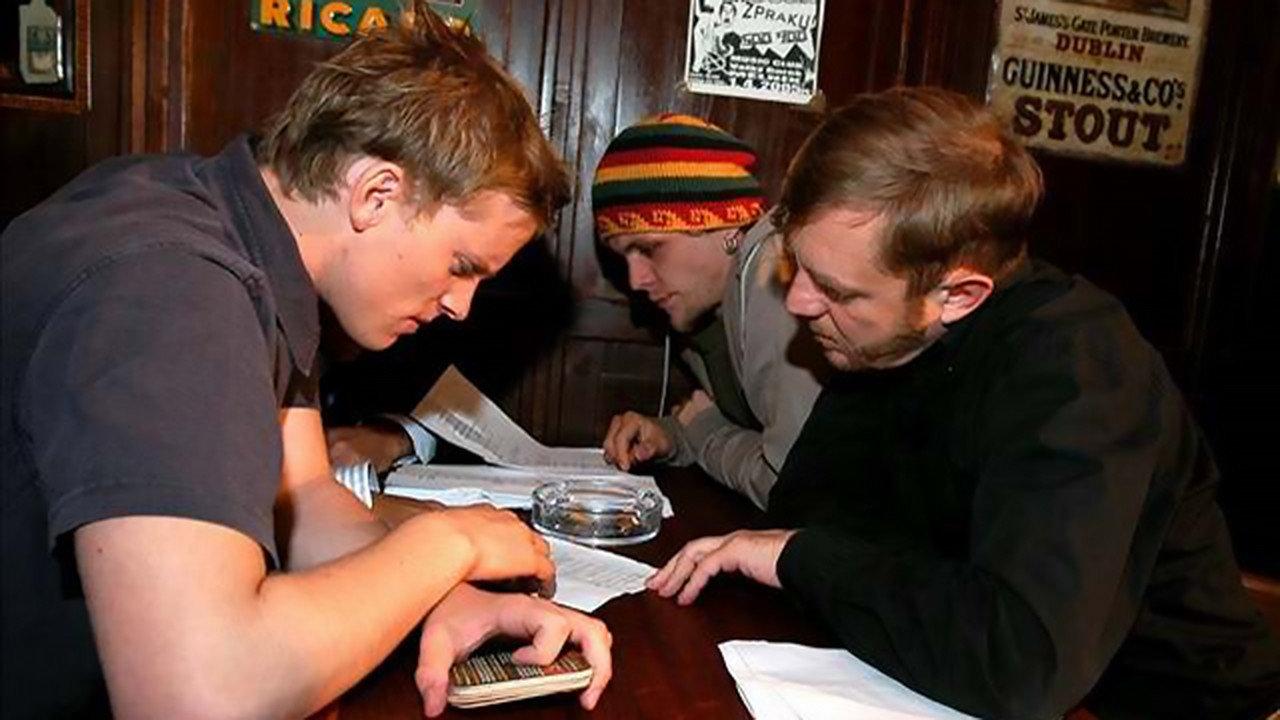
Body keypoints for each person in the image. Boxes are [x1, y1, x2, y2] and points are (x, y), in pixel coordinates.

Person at [0, 5, 611, 719]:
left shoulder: (240, 234)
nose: (460, 306)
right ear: (376, 194)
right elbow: (198, 698)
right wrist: (448, 544)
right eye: (462, 265)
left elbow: (307, 501)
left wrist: (445, 600)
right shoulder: (176, 291)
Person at [647, 87, 1280, 718]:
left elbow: (1019, 662)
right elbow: (812, 522)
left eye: (837, 290)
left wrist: (804, 559)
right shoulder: (879, 337)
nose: (799, 302)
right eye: (797, 265)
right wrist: (808, 557)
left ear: (957, 296)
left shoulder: (1080, 370)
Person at [592, 113, 826, 510]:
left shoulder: (773, 273)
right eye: (623, 257)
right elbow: (744, 430)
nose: (636, 280)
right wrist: (674, 436)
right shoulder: (701, 305)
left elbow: (792, 486)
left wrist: (704, 434)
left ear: (728, 225)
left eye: (649, 248)